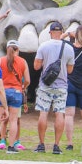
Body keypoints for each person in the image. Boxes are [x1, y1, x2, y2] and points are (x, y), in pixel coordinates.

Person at [33, 21, 74, 155]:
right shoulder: (69, 48)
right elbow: (69, 70)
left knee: (43, 113)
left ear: (50, 32)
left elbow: (36, 67)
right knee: (59, 113)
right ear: (62, 32)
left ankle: (41, 144)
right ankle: (56, 146)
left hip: (45, 85)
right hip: (61, 85)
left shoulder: (43, 46)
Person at [0, 39, 29, 151]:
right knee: (14, 120)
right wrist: (22, 86)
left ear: (7, 49)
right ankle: (11, 146)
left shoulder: (0, 61)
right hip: (16, 92)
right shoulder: (22, 61)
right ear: (18, 49)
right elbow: (28, 80)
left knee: (0, 118)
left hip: (3, 92)